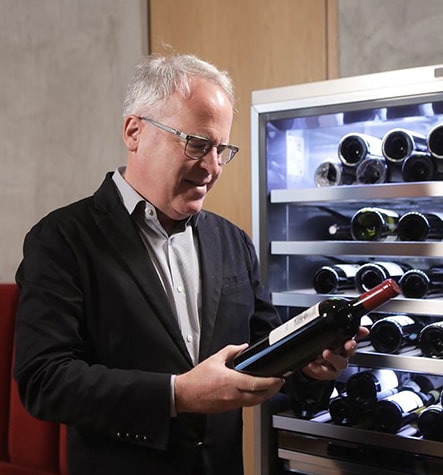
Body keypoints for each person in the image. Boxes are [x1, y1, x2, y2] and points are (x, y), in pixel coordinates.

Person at [14, 53, 365, 475]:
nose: (213, 167)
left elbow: (267, 353)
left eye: (221, 149)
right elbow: (44, 381)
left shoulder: (233, 241)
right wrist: (177, 394)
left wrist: (311, 368)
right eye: (198, 144)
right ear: (134, 131)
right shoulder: (61, 239)